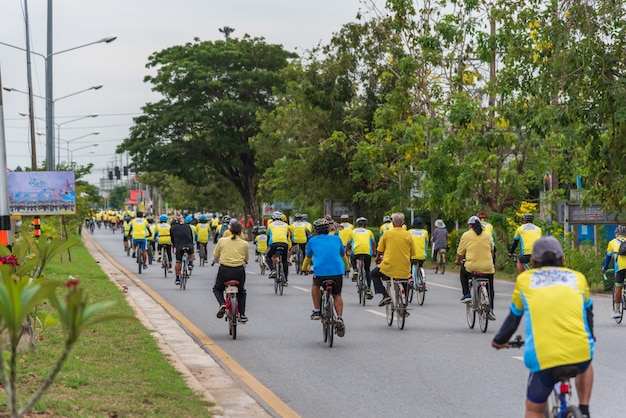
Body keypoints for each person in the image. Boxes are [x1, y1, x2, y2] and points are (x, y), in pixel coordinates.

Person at [492, 237, 594, 418]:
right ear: (562, 259)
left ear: (532, 261)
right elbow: (589, 315)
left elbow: (513, 320)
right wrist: (590, 339)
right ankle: (584, 410)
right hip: (580, 352)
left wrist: (499, 341)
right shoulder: (577, 278)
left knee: (533, 409)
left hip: (543, 356)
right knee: (586, 363)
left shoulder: (525, 280)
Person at [301, 218, 350, 337]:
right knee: (337, 294)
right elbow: (343, 256)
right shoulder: (337, 239)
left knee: (315, 285)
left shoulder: (312, 241)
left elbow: (308, 258)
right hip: (337, 272)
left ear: (316, 231)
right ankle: (339, 317)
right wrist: (347, 268)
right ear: (328, 229)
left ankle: (317, 310)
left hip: (321, 273)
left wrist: (304, 269)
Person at [370, 213, 416, 307]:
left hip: (388, 267)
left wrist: (377, 258)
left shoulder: (387, 234)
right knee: (404, 281)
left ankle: (385, 295)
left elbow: (380, 250)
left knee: (373, 274)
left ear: (393, 223)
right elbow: (412, 253)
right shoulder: (408, 235)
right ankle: (404, 305)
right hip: (404, 268)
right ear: (403, 223)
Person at [455, 215, 495, 320]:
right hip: (488, 267)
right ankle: (490, 309)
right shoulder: (487, 235)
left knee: (463, 273)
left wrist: (458, 261)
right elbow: (492, 250)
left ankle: (467, 294)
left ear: (469, 226)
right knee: (490, 287)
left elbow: (460, 252)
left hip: (472, 267)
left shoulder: (466, 235)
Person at [213, 221, 250, 323]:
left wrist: (216, 261)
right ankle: (242, 314)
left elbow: (216, 257)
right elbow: (246, 258)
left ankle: (222, 304)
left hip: (224, 270)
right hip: (239, 271)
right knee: (241, 291)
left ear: (229, 230)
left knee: (217, 289)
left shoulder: (222, 241)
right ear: (240, 232)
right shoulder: (244, 243)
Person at [602, 225, 626, 318]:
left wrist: (605, 268)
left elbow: (608, 257)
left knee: (618, 287)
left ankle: (616, 311)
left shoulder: (612, 242)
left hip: (620, 268)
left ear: (616, 234)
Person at [349, 217, 376, 298]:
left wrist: (347, 251)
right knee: (367, 270)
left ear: (357, 225)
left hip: (356, 252)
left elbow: (348, 243)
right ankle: (368, 289)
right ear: (365, 225)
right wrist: (374, 252)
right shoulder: (369, 232)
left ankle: (355, 270)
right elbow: (374, 243)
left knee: (352, 256)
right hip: (367, 253)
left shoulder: (353, 231)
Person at [266, 211, 292, 284]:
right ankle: (285, 279)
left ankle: (273, 270)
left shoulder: (270, 225)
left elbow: (268, 236)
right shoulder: (286, 225)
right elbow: (287, 236)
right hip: (284, 244)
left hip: (274, 244)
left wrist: (267, 246)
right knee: (284, 261)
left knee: (268, 256)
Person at [170, 217, 195, 286]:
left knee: (178, 261)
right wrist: (191, 244)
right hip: (189, 244)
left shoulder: (172, 228)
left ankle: (177, 279)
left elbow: (172, 239)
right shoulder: (187, 226)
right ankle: (190, 263)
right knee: (191, 253)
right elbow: (191, 236)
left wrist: (175, 246)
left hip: (179, 246)